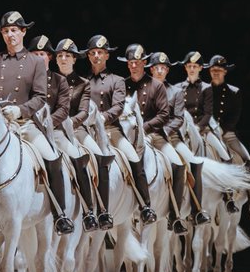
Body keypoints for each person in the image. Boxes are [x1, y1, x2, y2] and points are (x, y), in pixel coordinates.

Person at [0, 12, 73, 234]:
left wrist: (19, 110)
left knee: (51, 157)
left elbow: (41, 97)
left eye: (14, 30)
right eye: (5, 31)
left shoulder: (35, 62)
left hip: (25, 124)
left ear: (23, 32)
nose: (10, 35)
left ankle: (61, 214)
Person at [80, 34, 156, 224]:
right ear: (89, 56)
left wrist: (101, 118)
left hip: (110, 130)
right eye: (93, 53)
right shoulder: (82, 81)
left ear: (107, 56)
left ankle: (145, 206)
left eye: (100, 52)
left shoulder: (117, 80)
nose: (96, 56)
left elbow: (118, 106)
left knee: (133, 158)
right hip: (86, 129)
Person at [28, 34, 97, 231]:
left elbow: (64, 110)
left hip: (57, 130)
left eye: (43, 54)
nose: (39, 57)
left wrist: (49, 122)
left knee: (77, 158)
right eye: (35, 54)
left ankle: (89, 211)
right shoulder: (26, 78)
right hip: (30, 129)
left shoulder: (60, 80)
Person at [119, 43, 186, 233]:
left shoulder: (156, 85)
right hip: (125, 134)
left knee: (178, 165)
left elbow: (164, 115)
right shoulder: (122, 84)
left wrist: (144, 128)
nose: (133, 66)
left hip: (153, 135)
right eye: (131, 62)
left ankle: (175, 215)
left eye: (137, 62)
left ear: (144, 63)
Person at [146, 51, 210, 226]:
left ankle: (188, 212)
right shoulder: (144, 88)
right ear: (151, 69)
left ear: (167, 70)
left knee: (189, 163)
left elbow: (179, 118)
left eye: (163, 68)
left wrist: (164, 131)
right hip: (144, 136)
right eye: (156, 67)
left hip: (170, 137)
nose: (160, 70)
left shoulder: (175, 91)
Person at [51, 37, 105, 231]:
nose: (63, 59)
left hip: (76, 130)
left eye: (67, 56)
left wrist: (68, 123)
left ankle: (93, 210)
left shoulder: (83, 84)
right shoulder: (49, 80)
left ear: (74, 59)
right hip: (52, 130)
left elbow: (83, 112)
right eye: (60, 56)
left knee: (96, 156)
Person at [202, 55, 250, 218]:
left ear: (225, 72)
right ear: (209, 71)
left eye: (219, 70)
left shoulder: (234, 92)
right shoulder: (203, 90)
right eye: (213, 70)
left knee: (247, 159)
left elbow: (234, 116)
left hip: (227, 134)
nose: (216, 73)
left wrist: (222, 130)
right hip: (207, 133)